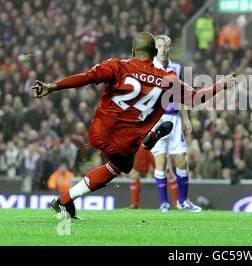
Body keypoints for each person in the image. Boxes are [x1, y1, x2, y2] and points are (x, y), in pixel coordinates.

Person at [32, 31, 236, 219]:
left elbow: (87, 77)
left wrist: (53, 86)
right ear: (156, 52)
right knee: (124, 164)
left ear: (132, 51)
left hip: (98, 132)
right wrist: (221, 85)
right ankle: (150, 137)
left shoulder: (117, 66)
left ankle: (64, 201)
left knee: (120, 165)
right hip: (125, 143)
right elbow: (196, 98)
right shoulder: (168, 78)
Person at [150, 35, 200, 212]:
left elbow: (182, 95)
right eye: (159, 46)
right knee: (161, 161)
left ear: (170, 48)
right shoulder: (147, 68)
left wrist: (186, 119)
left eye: (166, 46)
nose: (162, 49)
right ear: (154, 48)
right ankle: (164, 202)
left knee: (181, 160)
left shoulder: (177, 68)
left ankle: (183, 201)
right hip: (156, 121)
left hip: (175, 119)